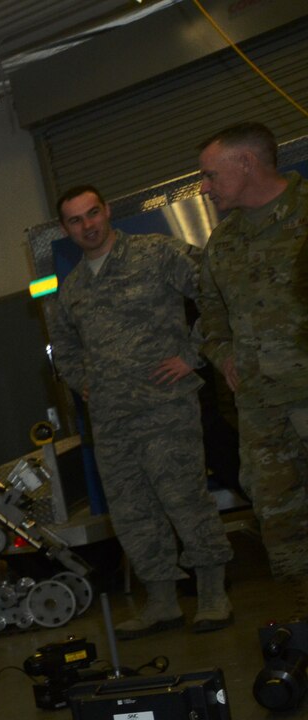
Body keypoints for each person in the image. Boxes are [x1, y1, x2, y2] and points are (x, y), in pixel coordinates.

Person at [46, 184, 233, 637]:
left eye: (93, 213)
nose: (88, 225)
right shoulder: (71, 289)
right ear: (66, 229)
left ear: (107, 210)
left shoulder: (156, 252)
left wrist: (192, 354)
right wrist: (83, 381)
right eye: (76, 220)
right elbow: (64, 347)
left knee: (184, 500)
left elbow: (215, 290)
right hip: (111, 421)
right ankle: (162, 602)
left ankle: (212, 594)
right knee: (132, 512)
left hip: (165, 407)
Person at [196, 121, 308, 605]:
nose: (203, 187)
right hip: (263, 415)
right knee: (280, 525)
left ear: (246, 162)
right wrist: (224, 359)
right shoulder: (222, 245)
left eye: (209, 175)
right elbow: (212, 324)